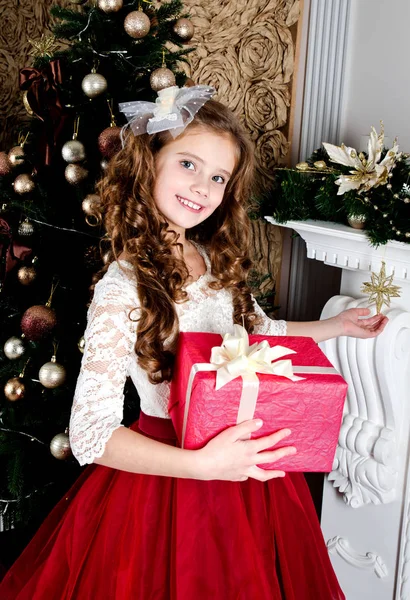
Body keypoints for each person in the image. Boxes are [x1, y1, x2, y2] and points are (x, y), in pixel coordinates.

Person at [0, 85, 387, 600]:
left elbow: (255, 331)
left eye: (218, 177)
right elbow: (91, 435)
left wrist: (336, 327)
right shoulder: (123, 285)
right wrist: (203, 466)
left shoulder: (212, 258)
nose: (202, 186)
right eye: (188, 164)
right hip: (168, 475)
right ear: (150, 162)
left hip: (247, 472)